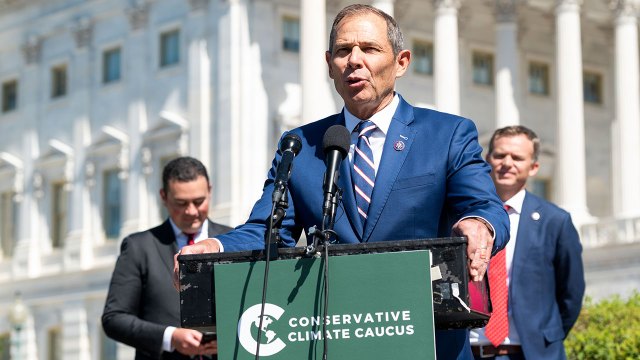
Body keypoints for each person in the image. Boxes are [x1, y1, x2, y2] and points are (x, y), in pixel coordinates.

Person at [177, 5, 509, 359]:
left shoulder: (447, 134)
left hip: (426, 338)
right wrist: (214, 247)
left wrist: (479, 225)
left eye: (369, 48)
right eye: (342, 51)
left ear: (401, 62)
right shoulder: (301, 145)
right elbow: (268, 229)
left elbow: (484, 206)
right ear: (328, 64)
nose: (353, 60)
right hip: (335, 339)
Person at [470, 125, 585, 359]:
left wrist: (547, 337)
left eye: (517, 157)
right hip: (470, 352)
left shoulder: (556, 221)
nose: (507, 162)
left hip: (532, 353)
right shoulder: (464, 216)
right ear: (488, 159)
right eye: (500, 155)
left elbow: (571, 293)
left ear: (533, 167)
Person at [102, 156, 232, 359]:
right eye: (181, 203)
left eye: (199, 201)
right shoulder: (139, 247)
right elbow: (114, 318)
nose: (191, 211)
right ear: (164, 196)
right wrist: (170, 337)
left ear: (210, 191)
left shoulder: (231, 241)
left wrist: (229, 337)